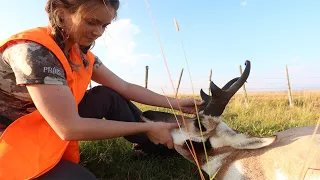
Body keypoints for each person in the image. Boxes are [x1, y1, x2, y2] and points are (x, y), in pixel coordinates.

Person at [0, 0, 204, 179]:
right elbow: (69, 128)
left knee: (107, 96)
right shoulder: (33, 52)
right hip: (11, 139)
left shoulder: (80, 54)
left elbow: (125, 87)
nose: (98, 32)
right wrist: (147, 127)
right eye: (91, 22)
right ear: (61, 12)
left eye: (104, 25)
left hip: (46, 124)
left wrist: (177, 103)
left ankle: (157, 146)